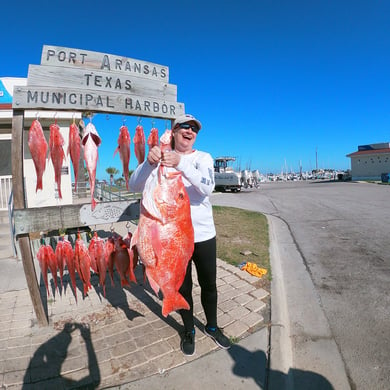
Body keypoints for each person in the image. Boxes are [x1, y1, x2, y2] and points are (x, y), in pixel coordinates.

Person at [129, 113, 231, 356]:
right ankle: (188, 330)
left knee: (209, 285)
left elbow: (207, 187)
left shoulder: (202, 158)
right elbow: (133, 185)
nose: (189, 131)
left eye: (194, 128)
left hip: (203, 235)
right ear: (173, 132)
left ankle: (212, 326)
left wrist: (180, 163)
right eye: (183, 126)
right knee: (181, 287)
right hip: (171, 239)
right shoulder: (159, 161)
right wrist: (148, 164)